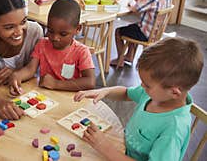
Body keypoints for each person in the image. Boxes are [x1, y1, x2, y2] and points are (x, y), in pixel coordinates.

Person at [74, 37, 204, 161]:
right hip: (122, 149)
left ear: (175, 93)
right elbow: (126, 93)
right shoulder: (155, 94)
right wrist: (104, 91)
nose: (142, 86)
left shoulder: (173, 129)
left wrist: (105, 147)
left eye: (147, 85)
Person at [9, 0, 95, 95]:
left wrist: (56, 84)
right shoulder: (42, 44)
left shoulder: (81, 52)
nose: (55, 38)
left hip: (70, 99)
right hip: (46, 97)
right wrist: (17, 76)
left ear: (78, 29)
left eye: (63, 34)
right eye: (50, 31)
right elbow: (30, 69)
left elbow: (90, 82)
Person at [110, 0, 174, 67]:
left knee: (119, 31)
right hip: (155, 32)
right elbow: (150, 2)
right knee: (133, 27)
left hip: (145, 33)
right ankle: (129, 56)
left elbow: (136, 8)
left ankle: (120, 60)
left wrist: (132, 2)